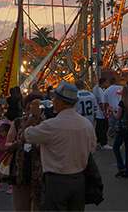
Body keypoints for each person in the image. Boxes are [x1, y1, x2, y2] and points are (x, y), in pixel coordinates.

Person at [24, 81, 96, 211]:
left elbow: (27, 135)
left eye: (54, 98)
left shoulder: (51, 126)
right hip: (79, 179)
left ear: (60, 102)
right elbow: (92, 149)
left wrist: (33, 114)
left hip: (57, 181)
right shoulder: (86, 125)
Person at [5, 91, 44, 211]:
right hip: (20, 173)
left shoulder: (46, 125)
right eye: (29, 108)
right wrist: (14, 145)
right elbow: (8, 143)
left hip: (40, 176)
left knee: (40, 207)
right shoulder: (17, 123)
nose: (30, 111)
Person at [112, 84, 128, 179]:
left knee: (116, 147)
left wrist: (112, 111)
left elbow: (118, 116)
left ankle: (121, 167)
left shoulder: (122, 103)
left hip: (121, 129)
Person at [0, 122, 11, 193]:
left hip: (7, 157)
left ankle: (10, 185)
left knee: (8, 171)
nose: (0, 133)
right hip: (0, 156)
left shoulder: (9, 140)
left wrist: (5, 148)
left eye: (2, 132)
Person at [92, 78, 109, 149]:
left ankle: (97, 142)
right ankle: (103, 143)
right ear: (103, 82)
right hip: (100, 113)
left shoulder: (95, 89)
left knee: (98, 128)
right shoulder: (100, 91)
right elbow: (101, 102)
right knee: (103, 127)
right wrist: (104, 111)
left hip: (97, 113)